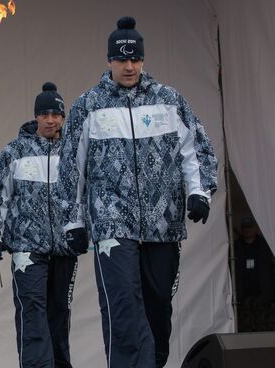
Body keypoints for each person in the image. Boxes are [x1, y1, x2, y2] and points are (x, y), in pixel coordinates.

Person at [58, 16, 218, 368]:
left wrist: (199, 192)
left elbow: (198, 150)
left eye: (135, 60)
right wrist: (73, 221)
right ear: (109, 60)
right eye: (121, 60)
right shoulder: (89, 106)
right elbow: (70, 167)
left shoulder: (169, 99)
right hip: (112, 222)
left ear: (143, 60)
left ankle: (154, 361)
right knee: (122, 305)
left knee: (158, 303)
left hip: (163, 222)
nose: (129, 67)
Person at [0, 82, 83, 368]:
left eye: (56, 114)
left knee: (59, 314)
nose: (50, 120)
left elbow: (86, 194)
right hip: (27, 249)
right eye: (45, 114)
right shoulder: (15, 151)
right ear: (36, 116)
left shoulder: (74, 151)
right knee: (32, 312)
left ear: (63, 117)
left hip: (64, 248)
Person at [234, 216, 274, 331]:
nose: (247, 230)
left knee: (263, 326)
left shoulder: (264, 245)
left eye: (249, 227)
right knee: (245, 327)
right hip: (243, 296)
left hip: (263, 294)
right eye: (245, 228)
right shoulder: (237, 246)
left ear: (255, 228)